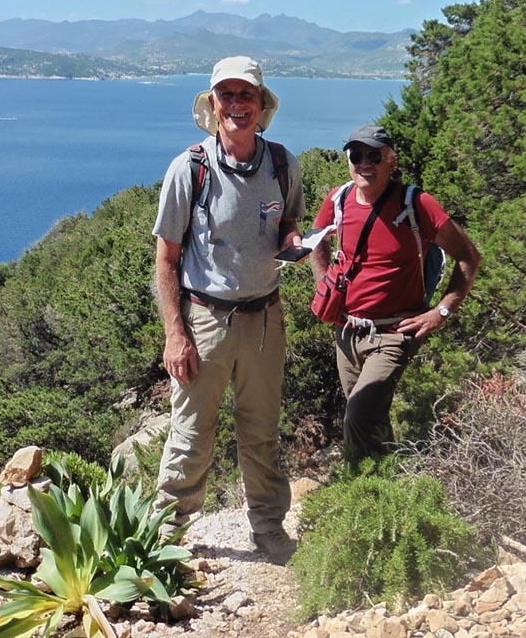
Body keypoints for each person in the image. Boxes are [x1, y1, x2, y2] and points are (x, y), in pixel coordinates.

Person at [151, 56, 305, 564]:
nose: (237, 105)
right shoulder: (189, 169)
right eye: (228, 95)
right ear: (213, 105)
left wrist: (294, 239)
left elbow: (290, 223)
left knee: (261, 431)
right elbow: (167, 259)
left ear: (262, 106)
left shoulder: (283, 165)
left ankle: (268, 529)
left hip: (265, 318)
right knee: (193, 431)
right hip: (205, 319)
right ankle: (164, 538)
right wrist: (176, 335)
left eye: (247, 96)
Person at [309, 124, 480, 462]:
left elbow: (468, 257)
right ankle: (392, 482)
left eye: (374, 155)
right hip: (348, 332)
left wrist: (441, 312)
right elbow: (317, 240)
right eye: (356, 155)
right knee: (370, 420)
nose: (364, 163)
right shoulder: (339, 199)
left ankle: (362, 492)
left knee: (357, 415)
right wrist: (325, 283)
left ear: (392, 162)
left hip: (394, 333)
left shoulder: (417, 204)